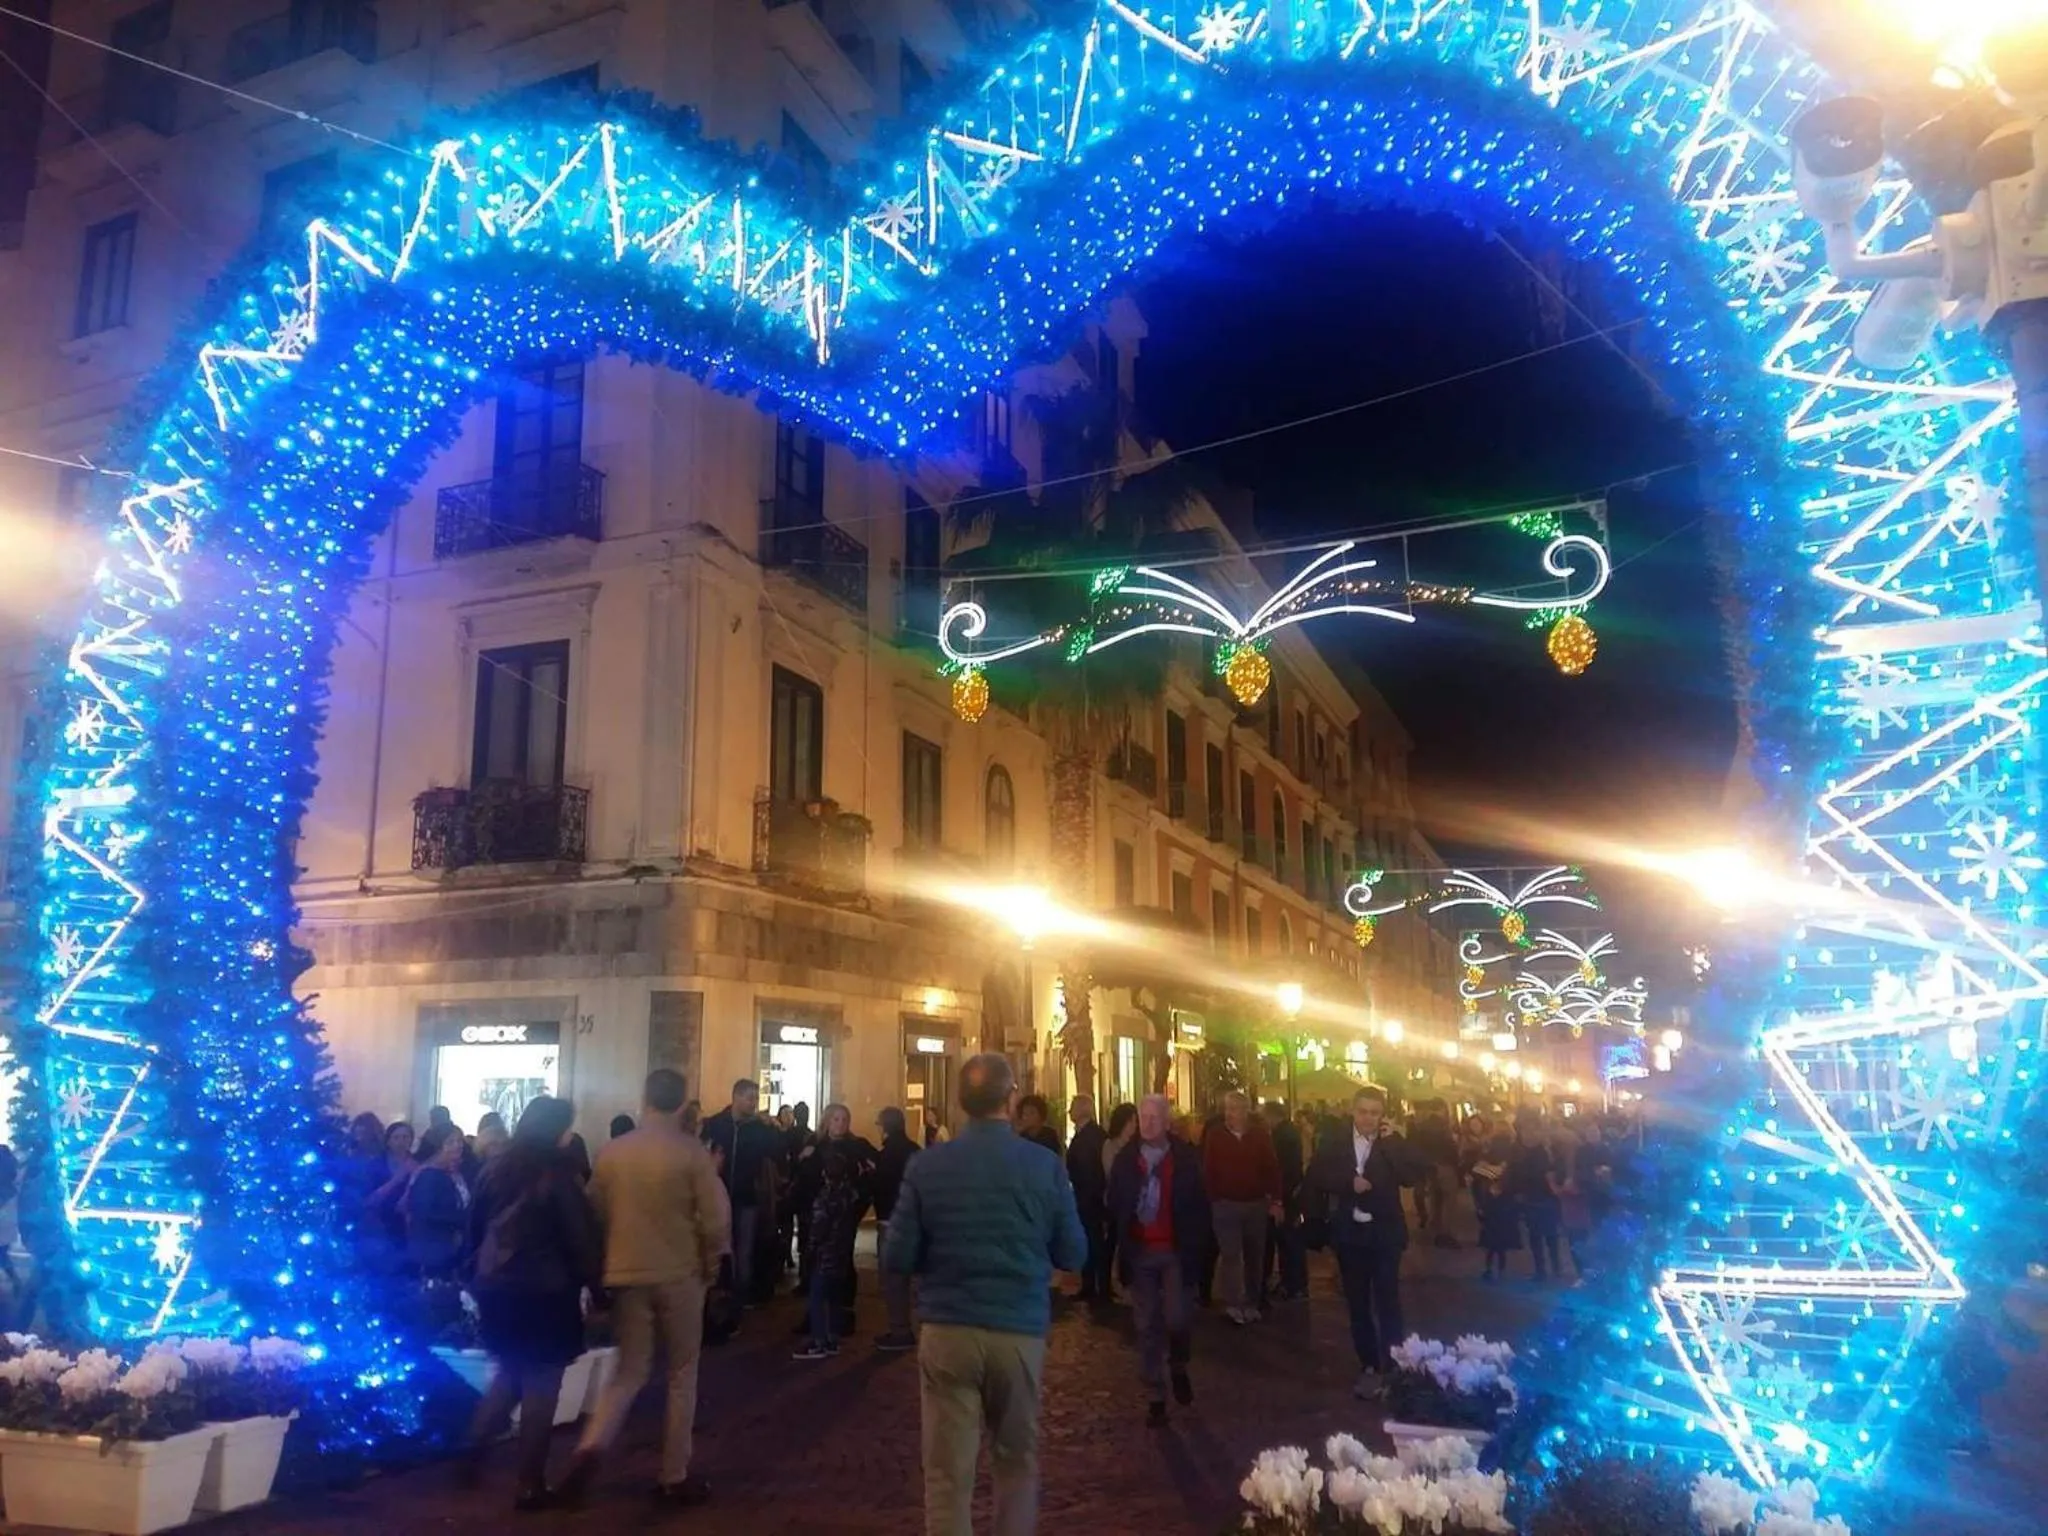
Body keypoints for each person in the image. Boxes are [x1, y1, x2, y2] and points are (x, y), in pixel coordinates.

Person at [882, 1054, 1086, 1536]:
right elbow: (1074, 1250)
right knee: (1015, 1464)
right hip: (1017, 1328)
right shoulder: (1042, 1165)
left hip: (948, 1326)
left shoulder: (927, 1165)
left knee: (947, 1475)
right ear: (1010, 1099)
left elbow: (896, 1255)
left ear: (960, 1102)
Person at [566, 1070, 729, 1508]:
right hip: (679, 1272)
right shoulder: (690, 1153)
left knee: (629, 1371)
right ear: (681, 1105)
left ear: (645, 1099)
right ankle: (673, 1474)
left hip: (626, 1272)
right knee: (681, 1373)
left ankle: (591, 1446)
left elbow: (594, 1210)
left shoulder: (613, 1153)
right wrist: (712, 1264)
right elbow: (715, 1220)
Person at [459, 1095, 601, 1511]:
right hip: (545, 1291)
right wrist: (595, 1283)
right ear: (557, 1129)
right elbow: (580, 1236)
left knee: (511, 1371)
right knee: (541, 1382)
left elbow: (475, 1228)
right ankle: (529, 1483)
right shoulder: (558, 1173)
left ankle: (472, 1450)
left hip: (497, 1288)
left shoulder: (495, 1168)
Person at [1307, 1085, 1432, 1399]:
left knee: (1389, 1299)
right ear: (1353, 1110)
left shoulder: (1392, 1141)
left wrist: (1393, 1143)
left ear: (1383, 1114)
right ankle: (1369, 1364)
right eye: (1363, 1112)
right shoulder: (1335, 1140)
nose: (1368, 1119)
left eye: (1375, 1113)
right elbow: (1317, 1175)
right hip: (1351, 1234)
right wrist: (1348, 1183)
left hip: (1386, 1233)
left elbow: (1411, 1176)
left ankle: (1393, 1364)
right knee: (1358, 1302)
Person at [1107, 1094, 1210, 1425]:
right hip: (1141, 1252)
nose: (1147, 1123)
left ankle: (1178, 1363)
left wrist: (1199, 1247)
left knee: (1177, 1317)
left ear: (1167, 1122)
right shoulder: (1127, 1159)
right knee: (1147, 1324)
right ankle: (1155, 1393)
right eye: (1143, 1116)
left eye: (1154, 1117)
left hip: (1175, 1250)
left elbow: (1198, 1206)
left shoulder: (1185, 1159)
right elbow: (1117, 1203)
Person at [701, 1079, 783, 1306]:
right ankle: (721, 1293)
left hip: (747, 1196)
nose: (755, 1103)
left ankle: (741, 1295)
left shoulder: (758, 1128)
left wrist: (773, 1130)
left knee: (744, 1248)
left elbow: (776, 1153)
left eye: (756, 1098)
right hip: (719, 1196)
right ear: (736, 1097)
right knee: (720, 1247)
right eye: (750, 1098)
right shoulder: (715, 1124)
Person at [1201, 1090, 1281, 1324]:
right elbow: (1208, 1168)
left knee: (1255, 1255)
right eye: (1227, 1109)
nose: (1230, 1114)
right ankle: (1234, 1303)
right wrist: (1215, 1197)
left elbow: (1272, 1168)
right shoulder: (1216, 1135)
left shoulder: (1259, 1135)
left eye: (1234, 1109)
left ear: (1246, 1112)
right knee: (1231, 1255)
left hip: (1255, 1204)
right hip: (1226, 1204)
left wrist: (1275, 1199)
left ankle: (1252, 1302)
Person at [795, 1150, 861, 1360]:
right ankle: (832, 1339)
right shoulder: (850, 1195)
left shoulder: (825, 1198)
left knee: (816, 1298)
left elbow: (818, 1229)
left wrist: (810, 1250)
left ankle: (818, 1341)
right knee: (834, 1298)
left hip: (825, 1256)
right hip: (842, 1254)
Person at [873, 1106, 920, 1350]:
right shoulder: (914, 1150)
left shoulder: (887, 1154)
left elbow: (881, 1187)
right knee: (910, 1278)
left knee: (893, 1280)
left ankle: (900, 1330)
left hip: (892, 1220)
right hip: (914, 1221)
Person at [405, 1125, 471, 1279]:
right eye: (451, 1141)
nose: (458, 1145)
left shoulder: (454, 1173)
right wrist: (462, 1219)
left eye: (459, 1141)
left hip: (449, 1248)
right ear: (438, 1146)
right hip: (433, 1250)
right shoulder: (429, 1175)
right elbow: (425, 1212)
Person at [1509, 1107, 1563, 1280]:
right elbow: (1514, 1174)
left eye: (1532, 1131)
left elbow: (1554, 1172)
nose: (1529, 1135)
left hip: (1546, 1198)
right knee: (1535, 1237)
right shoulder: (1518, 1151)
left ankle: (1555, 1267)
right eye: (1525, 1131)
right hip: (1530, 1199)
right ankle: (1541, 1270)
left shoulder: (1546, 1150)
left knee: (1550, 1235)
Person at [1064, 1095, 1109, 1302]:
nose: (1069, 1111)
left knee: (1093, 1241)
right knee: (1092, 1241)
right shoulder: (1088, 1134)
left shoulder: (1091, 1136)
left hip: (1089, 1198)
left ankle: (1096, 1285)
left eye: (1072, 1107)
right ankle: (1093, 1284)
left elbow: (1089, 1169)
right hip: (1087, 1196)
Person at [1263, 1100, 1308, 1301]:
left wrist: (1278, 1198)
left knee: (1289, 1241)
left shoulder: (1282, 1136)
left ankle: (1294, 1284)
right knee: (1289, 1241)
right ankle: (1292, 1283)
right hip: (1292, 1194)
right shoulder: (1289, 1133)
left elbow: (1282, 1169)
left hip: (1288, 1196)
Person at [1098, 1102, 1138, 1299]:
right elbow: (1110, 1173)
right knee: (1114, 1241)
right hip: (1117, 1202)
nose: (1134, 1125)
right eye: (1131, 1121)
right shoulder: (1110, 1145)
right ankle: (1112, 1283)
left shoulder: (1138, 1145)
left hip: (1135, 1202)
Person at [364, 1121, 417, 1268]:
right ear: (388, 1141)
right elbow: (369, 1199)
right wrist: (396, 1180)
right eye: (396, 1137)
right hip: (381, 1225)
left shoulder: (417, 1163)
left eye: (406, 1137)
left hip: (409, 1228)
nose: (401, 1142)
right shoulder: (376, 1164)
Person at [1407, 1100, 1459, 1246]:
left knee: (1436, 1199)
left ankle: (1434, 1227)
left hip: (1429, 1166)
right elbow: (1450, 1147)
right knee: (1449, 1200)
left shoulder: (1422, 1126)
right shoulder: (1443, 1126)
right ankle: (1445, 1234)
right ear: (1442, 1109)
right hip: (1445, 1166)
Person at [1469, 1132, 1519, 1282]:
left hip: (1490, 1211)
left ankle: (1489, 1269)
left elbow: (1475, 1184)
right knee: (1501, 1245)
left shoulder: (1483, 1167)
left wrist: (1479, 1206)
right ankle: (1500, 1270)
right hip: (1502, 1211)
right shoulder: (1509, 1167)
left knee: (1491, 1245)